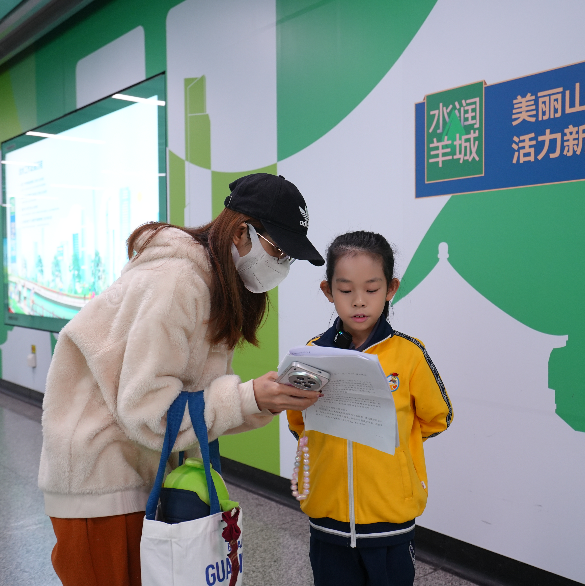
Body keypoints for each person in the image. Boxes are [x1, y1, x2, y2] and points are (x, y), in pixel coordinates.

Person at [39, 173, 325, 586]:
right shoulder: (177, 281)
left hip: (139, 469)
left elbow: (194, 403)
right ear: (241, 232)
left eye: (289, 258)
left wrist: (261, 400)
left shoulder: (212, 284)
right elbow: (148, 411)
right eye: (277, 249)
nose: (281, 265)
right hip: (100, 478)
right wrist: (247, 397)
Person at [287, 231, 453, 586]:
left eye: (372, 289)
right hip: (327, 516)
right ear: (328, 291)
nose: (359, 301)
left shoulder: (409, 354)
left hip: (390, 518)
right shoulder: (313, 354)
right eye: (346, 290)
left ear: (391, 289)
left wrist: (397, 448)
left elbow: (438, 417)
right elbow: (298, 420)